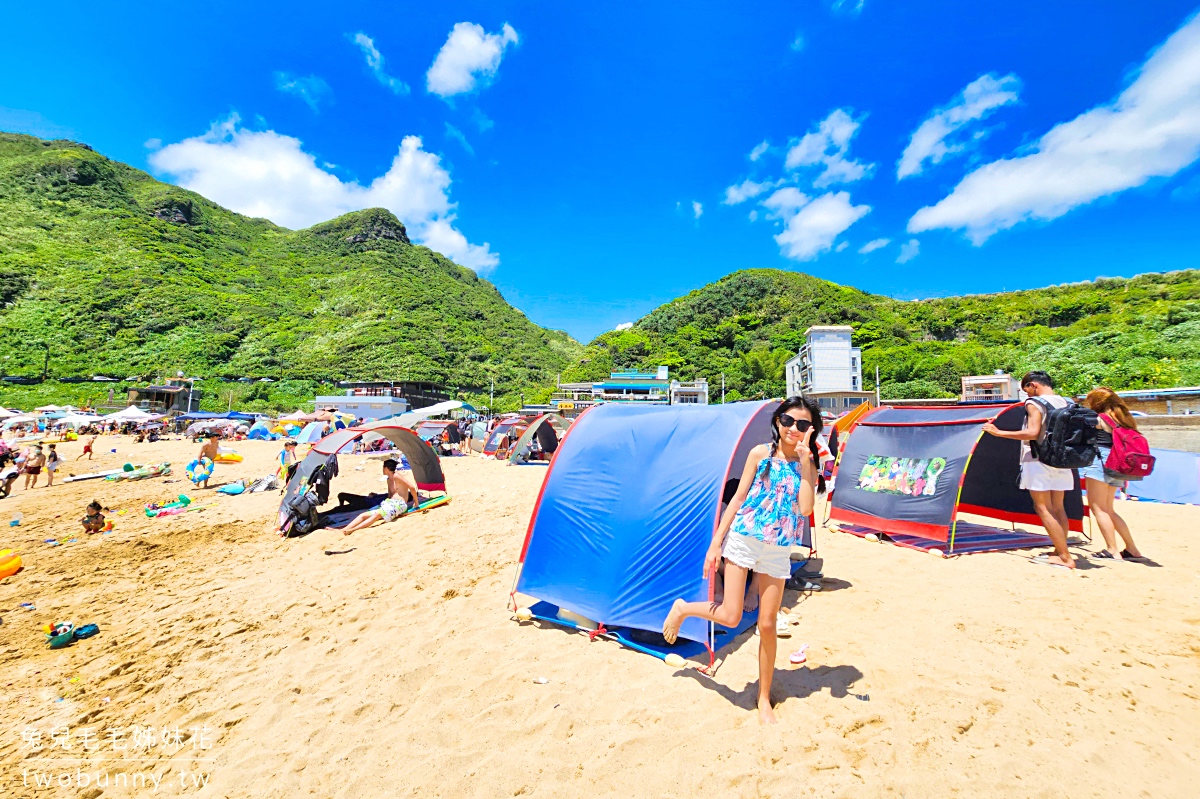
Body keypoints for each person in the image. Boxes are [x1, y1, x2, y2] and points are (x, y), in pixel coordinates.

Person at [662, 396, 822, 725]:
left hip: (778, 549)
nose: (794, 429)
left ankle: (763, 698)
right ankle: (682, 608)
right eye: (789, 421)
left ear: (811, 431)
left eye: (803, 425)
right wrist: (715, 543)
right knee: (731, 615)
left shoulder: (808, 464)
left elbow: (806, 509)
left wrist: (806, 462)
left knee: (766, 624)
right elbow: (737, 497)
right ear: (779, 421)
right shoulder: (760, 454)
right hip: (744, 540)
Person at [981, 371, 1076, 568]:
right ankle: (1059, 551)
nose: (1028, 396)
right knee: (1058, 507)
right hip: (1063, 460)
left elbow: (1033, 433)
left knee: (1042, 507)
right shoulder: (1066, 402)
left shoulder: (1035, 403)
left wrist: (999, 433)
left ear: (1033, 385)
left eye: (1027, 391)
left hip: (1038, 459)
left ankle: (1066, 557)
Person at [1080, 388, 1146, 561]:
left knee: (1098, 508)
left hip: (1101, 460)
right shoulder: (1125, 418)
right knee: (1109, 509)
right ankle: (1133, 550)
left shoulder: (1099, 419)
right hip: (1119, 462)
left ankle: (1112, 550)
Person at [340, 459, 422, 535]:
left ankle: (352, 530)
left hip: (399, 504)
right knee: (363, 515)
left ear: (386, 468)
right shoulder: (388, 480)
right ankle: (344, 529)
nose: (382, 469)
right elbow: (390, 495)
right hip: (389, 503)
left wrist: (416, 503)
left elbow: (411, 487)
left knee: (377, 515)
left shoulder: (396, 476)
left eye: (383, 467)